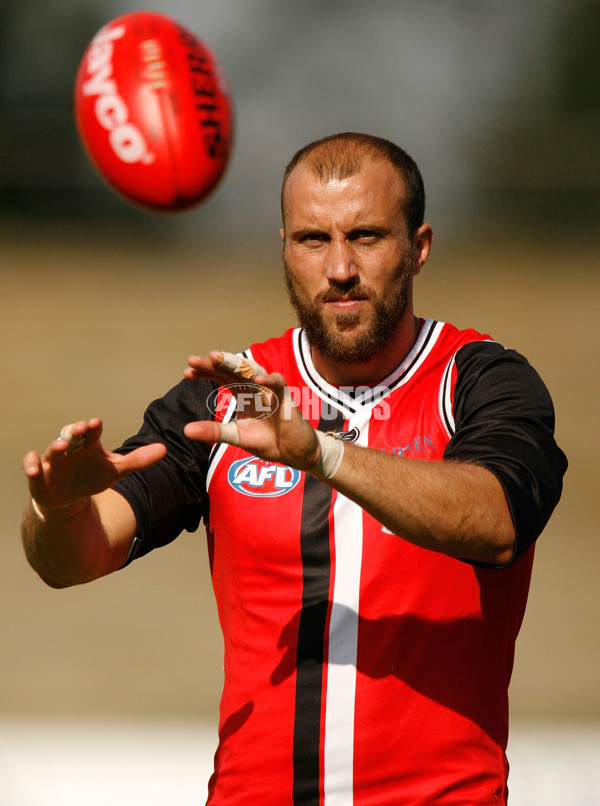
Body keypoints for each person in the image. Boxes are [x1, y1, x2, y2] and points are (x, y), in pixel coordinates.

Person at [22, 132, 567, 805]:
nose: (339, 268)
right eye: (313, 240)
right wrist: (58, 509)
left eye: (366, 237)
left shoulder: (479, 380)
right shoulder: (230, 395)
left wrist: (323, 455)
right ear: (285, 248)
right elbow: (73, 557)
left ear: (419, 247)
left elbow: (498, 520)